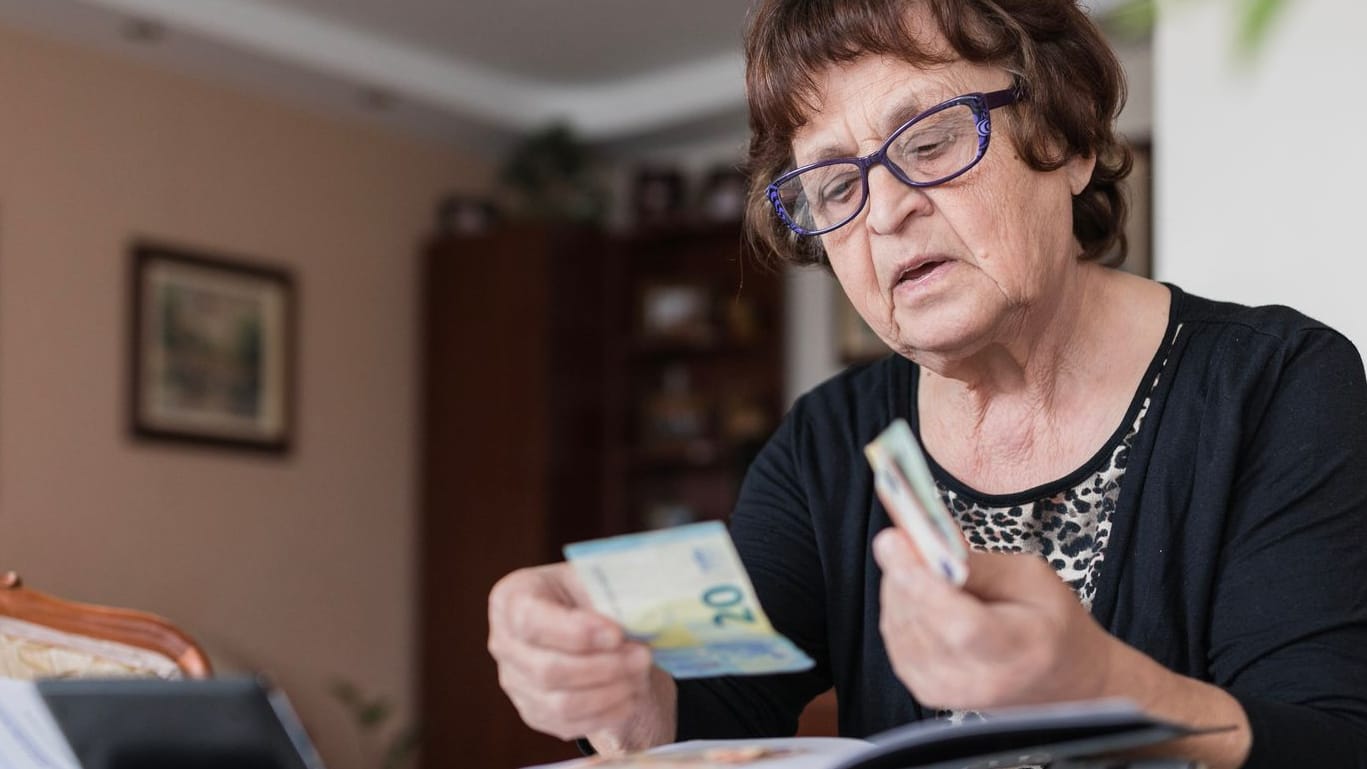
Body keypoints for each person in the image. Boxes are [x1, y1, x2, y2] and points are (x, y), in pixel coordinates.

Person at [486, 1, 1367, 767]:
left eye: (932, 140)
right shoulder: (825, 443)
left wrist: (1100, 685)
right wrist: (612, 685)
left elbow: (1331, 742)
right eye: (833, 183)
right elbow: (714, 720)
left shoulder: (1274, 382)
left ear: (1064, 136)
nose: (884, 210)